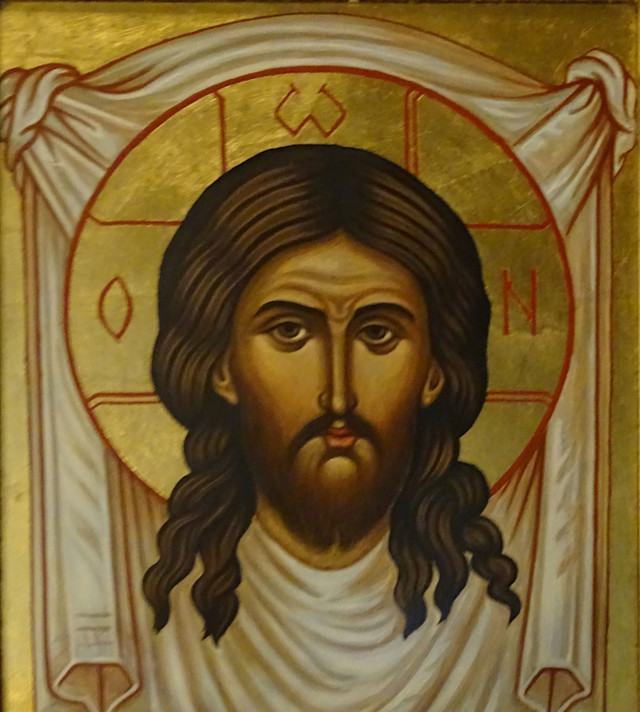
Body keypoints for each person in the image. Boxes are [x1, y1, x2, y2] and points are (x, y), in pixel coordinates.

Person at [142, 144, 520, 655]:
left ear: (435, 371)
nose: (338, 395)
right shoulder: (167, 600)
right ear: (220, 366)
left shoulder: (487, 608)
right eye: (290, 331)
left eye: (378, 334)